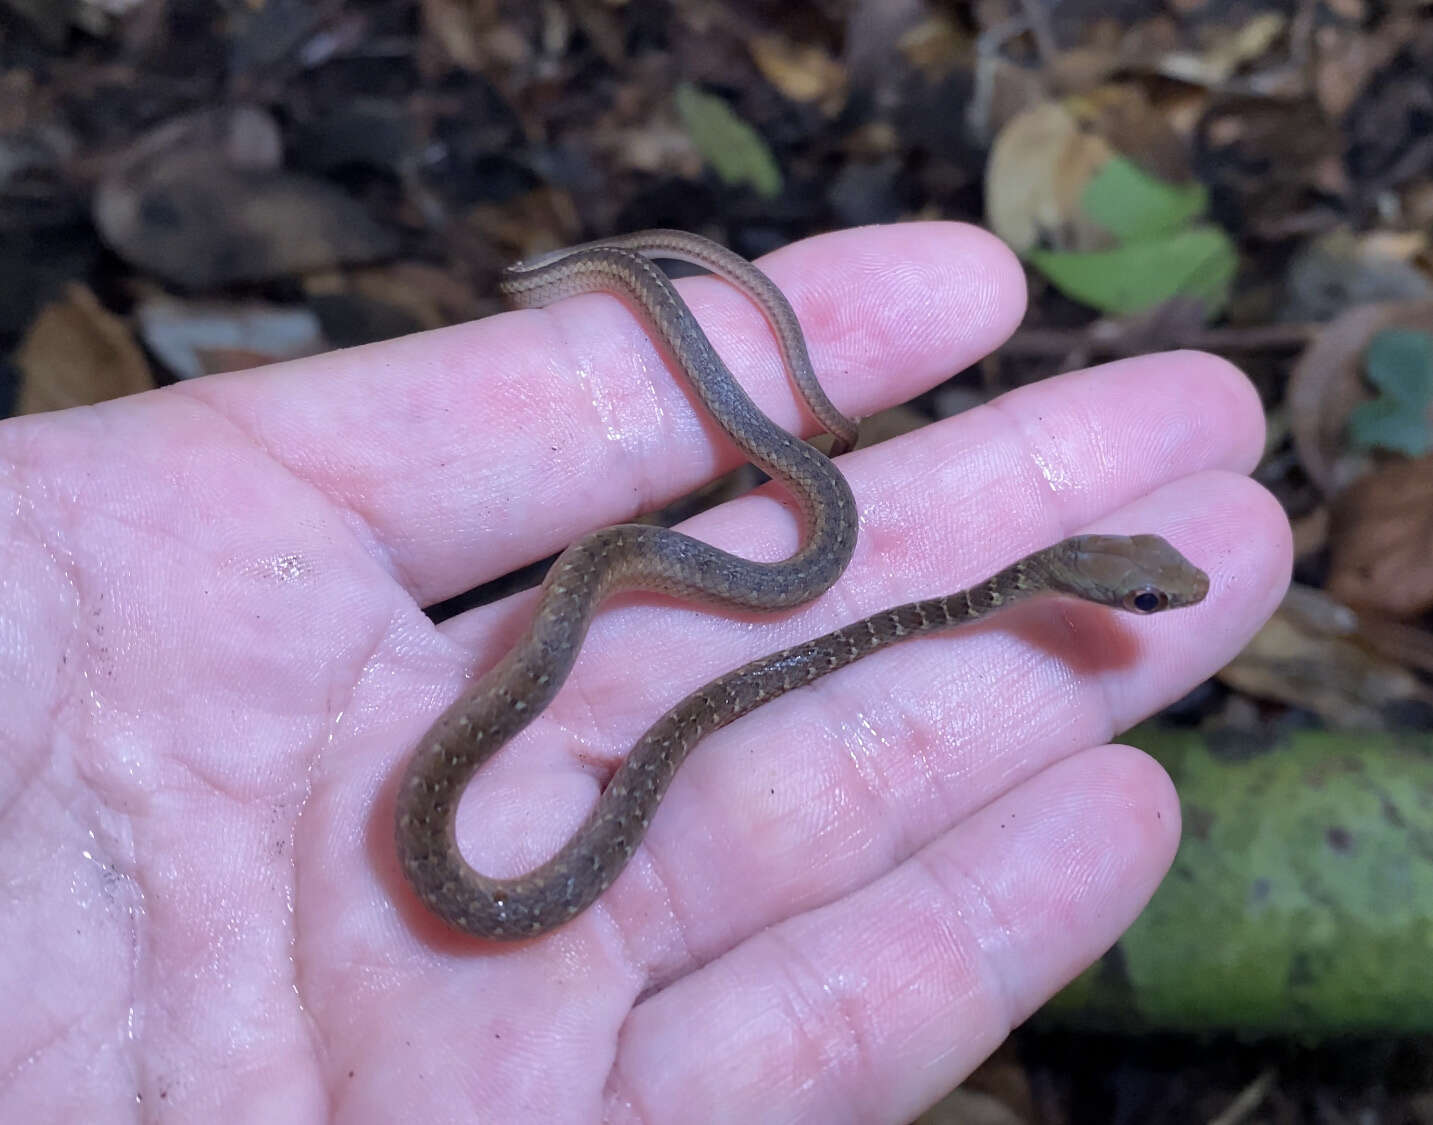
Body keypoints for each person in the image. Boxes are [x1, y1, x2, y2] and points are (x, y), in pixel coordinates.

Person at [0, 222, 1289, 1120]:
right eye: (1135, 592)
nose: (1143, 606)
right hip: (642, 579)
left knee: (786, 584)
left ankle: (627, 275)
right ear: (1076, 573)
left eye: (1139, 592)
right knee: (740, 585)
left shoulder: (950, 581)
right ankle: (619, 275)